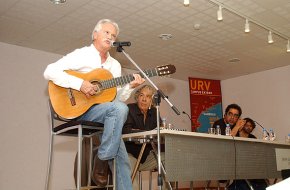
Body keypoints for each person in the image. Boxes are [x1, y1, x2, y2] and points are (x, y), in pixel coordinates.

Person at [43, 19, 145, 190]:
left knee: (123, 159)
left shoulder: (115, 65)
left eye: (113, 35)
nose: (110, 37)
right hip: (78, 111)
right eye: (107, 32)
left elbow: (114, 100)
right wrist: (79, 84)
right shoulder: (82, 54)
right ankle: (103, 159)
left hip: (104, 113)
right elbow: (49, 71)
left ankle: (102, 159)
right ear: (95, 34)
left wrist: (129, 86)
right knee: (119, 113)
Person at [122, 85, 164, 189]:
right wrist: (148, 132)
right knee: (128, 169)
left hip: (146, 154)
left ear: (152, 100)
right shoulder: (129, 108)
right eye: (141, 95)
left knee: (168, 159)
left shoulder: (154, 112)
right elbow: (126, 131)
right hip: (130, 153)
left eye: (148, 96)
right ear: (137, 97)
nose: (144, 99)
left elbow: (158, 132)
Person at [228, 117, 268, 190]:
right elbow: (228, 138)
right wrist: (237, 126)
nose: (249, 127)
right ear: (242, 125)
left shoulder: (253, 138)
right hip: (237, 165)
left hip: (251, 165)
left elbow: (257, 152)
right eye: (247, 125)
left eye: (251, 126)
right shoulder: (236, 134)